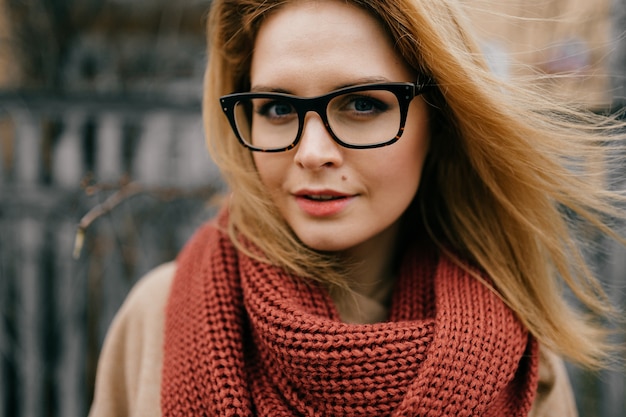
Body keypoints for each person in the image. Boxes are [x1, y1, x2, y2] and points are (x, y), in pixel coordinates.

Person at [89, 0, 625, 415]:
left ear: (435, 120)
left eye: (362, 104)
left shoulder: (518, 365)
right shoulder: (155, 321)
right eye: (276, 107)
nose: (313, 153)